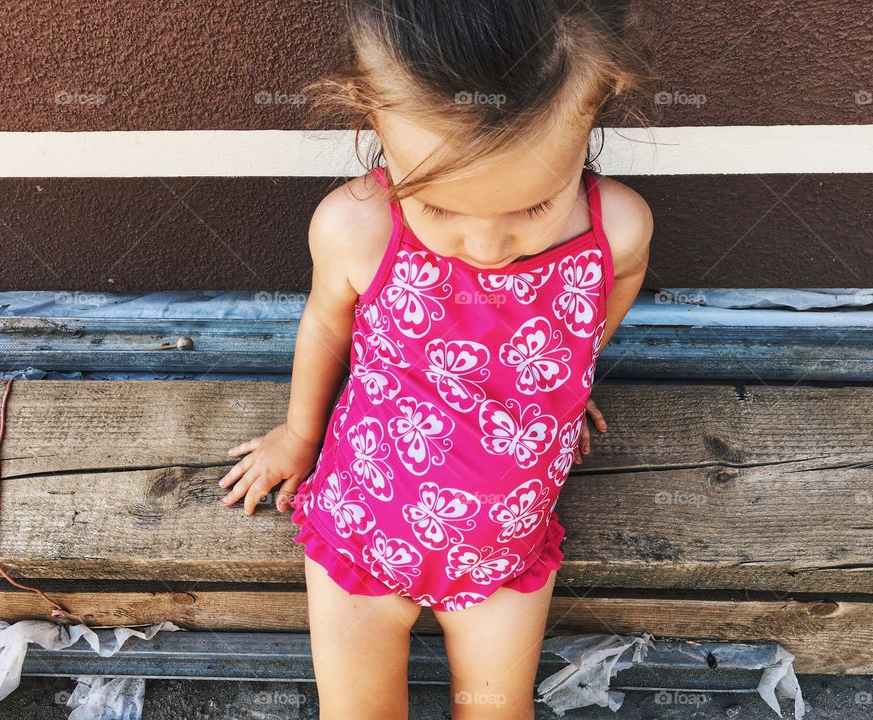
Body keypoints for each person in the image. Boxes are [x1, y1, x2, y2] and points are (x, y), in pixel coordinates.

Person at [219, 1, 656, 717]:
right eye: (443, 209)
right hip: (362, 531)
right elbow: (327, 324)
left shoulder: (617, 229)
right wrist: (299, 435)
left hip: (505, 559)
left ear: (595, 113)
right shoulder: (357, 228)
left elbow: (621, 283)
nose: (487, 247)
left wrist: (560, 387)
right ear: (372, 124)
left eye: (533, 206)